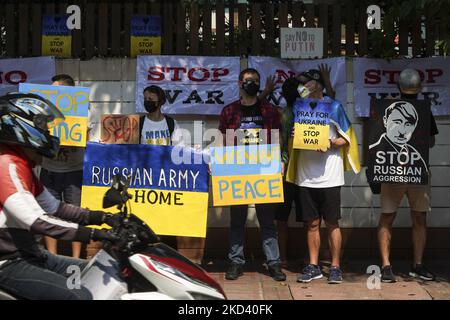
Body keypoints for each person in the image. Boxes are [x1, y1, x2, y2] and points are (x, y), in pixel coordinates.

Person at [0, 93, 119, 300]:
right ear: (20, 126)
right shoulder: (6, 164)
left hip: (32, 254)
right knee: (77, 296)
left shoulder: (22, 165)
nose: (48, 132)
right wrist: (94, 234)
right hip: (8, 263)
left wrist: (104, 218)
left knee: (101, 270)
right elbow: (38, 221)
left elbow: (56, 208)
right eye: (43, 127)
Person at [285, 69, 361, 284]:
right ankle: (313, 265)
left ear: (317, 84)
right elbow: (294, 135)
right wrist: (293, 135)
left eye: (306, 82)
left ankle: (335, 266)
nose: (303, 87)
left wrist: (328, 143)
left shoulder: (334, 107)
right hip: (305, 175)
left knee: (332, 222)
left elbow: (347, 138)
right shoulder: (298, 106)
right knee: (311, 224)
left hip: (330, 176)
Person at [260, 64, 337, 266]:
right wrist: (327, 82)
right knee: (309, 220)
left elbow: (259, 107)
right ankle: (309, 258)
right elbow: (332, 100)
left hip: (286, 168)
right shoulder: (311, 110)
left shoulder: (281, 113)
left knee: (283, 218)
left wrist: (267, 91)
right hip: (303, 169)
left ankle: (284, 258)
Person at [219, 68, 286, 281]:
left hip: (264, 171)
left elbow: (277, 138)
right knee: (237, 220)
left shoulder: (269, 110)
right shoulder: (229, 111)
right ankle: (236, 262)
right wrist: (218, 162)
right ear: (240, 83)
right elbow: (223, 140)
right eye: (249, 81)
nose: (252, 84)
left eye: (256, 81)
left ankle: (274, 263)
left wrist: (280, 161)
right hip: (237, 170)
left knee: (267, 220)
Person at [377, 68, 439, 282]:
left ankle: (386, 266)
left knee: (388, 217)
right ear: (420, 87)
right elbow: (431, 141)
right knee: (419, 217)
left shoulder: (390, 107)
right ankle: (417, 265)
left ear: (398, 87)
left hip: (399, 170)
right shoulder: (423, 110)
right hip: (407, 170)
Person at [138, 85, 203, 263]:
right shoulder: (139, 123)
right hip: (145, 180)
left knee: (167, 222)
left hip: (166, 181)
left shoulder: (171, 123)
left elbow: (179, 150)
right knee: (147, 222)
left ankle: (168, 260)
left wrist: (195, 153)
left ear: (160, 101)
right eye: (145, 99)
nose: (147, 102)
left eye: (151, 99)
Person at [40, 74, 85, 258]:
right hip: (49, 170)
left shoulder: (82, 110)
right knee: (48, 216)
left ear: (66, 91)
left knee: (76, 215)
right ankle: (53, 258)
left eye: (55, 88)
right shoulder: (43, 111)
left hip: (74, 172)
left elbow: (85, 140)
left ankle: (76, 260)